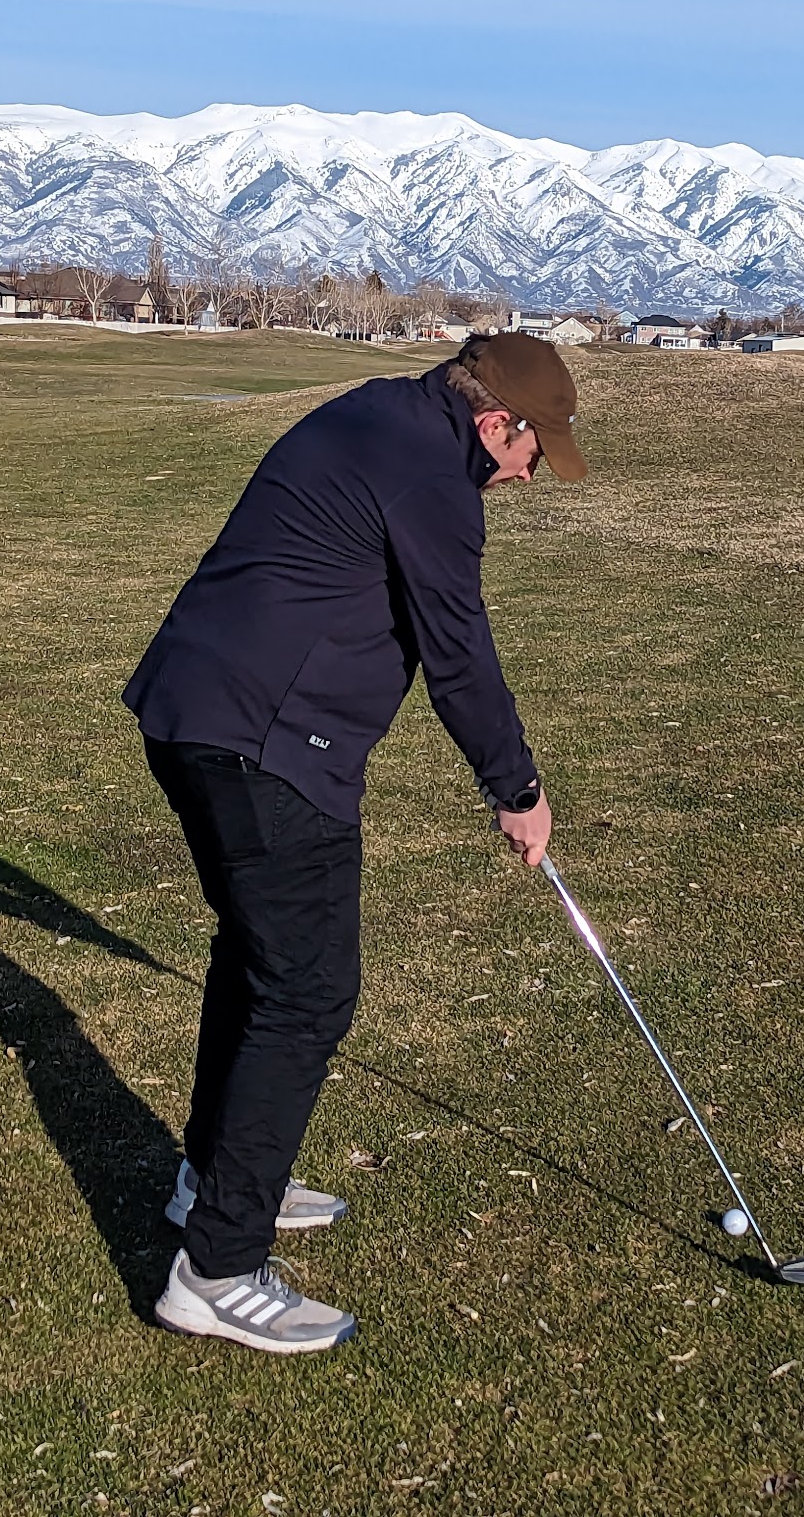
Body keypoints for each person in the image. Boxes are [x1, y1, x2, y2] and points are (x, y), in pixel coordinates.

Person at [123, 332, 586, 1354]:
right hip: (266, 743)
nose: (530, 473)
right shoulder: (433, 477)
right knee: (307, 991)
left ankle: (215, 1178)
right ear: (494, 422)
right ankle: (218, 1269)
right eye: (532, 450)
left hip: (193, 711)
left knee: (259, 960)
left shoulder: (385, 411)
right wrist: (516, 786)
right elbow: (457, 649)